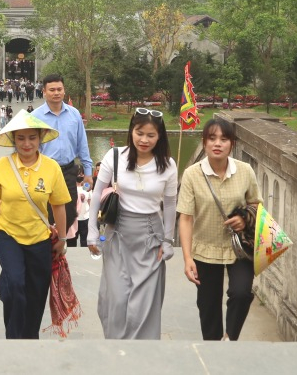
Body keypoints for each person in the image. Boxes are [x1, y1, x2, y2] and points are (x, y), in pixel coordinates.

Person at [87, 108, 178, 339]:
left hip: (150, 237)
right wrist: (91, 232)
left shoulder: (167, 165)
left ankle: (141, 354)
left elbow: (169, 204)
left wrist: (168, 240)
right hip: (117, 234)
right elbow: (97, 194)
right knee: (116, 300)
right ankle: (117, 349)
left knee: (143, 305)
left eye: (151, 135)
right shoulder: (115, 156)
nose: (144, 140)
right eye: (139, 133)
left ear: (159, 137)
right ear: (132, 131)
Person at [0, 110, 70, 339]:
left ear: (40, 138)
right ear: (13, 140)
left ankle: (30, 339)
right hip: (7, 234)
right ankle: (13, 338)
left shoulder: (51, 168)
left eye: (32, 137)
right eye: (20, 138)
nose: (27, 143)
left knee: (36, 292)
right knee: (16, 287)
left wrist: (62, 239)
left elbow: (58, 206)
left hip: (39, 238)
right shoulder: (1, 166)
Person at [178, 117, 262, 341]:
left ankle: (229, 339)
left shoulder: (245, 171)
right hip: (205, 249)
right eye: (212, 138)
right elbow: (185, 218)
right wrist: (187, 258)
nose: (218, 143)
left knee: (242, 293)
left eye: (224, 139)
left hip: (240, 248)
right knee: (208, 307)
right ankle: (213, 351)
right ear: (204, 142)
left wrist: (245, 218)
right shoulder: (192, 174)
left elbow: (256, 204)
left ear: (231, 144)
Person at [31, 74, 93, 228]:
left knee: (70, 212)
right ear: (44, 92)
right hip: (44, 171)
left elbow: (82, 145)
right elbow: (29, 146)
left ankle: (59, 241)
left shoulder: (74, 114)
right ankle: (48, 245)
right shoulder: (35, 117)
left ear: (64, 91)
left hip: (68, 171)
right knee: (45, 212)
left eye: (59, 89)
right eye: (52, 90)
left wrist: (88, 172)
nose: (56, 93)